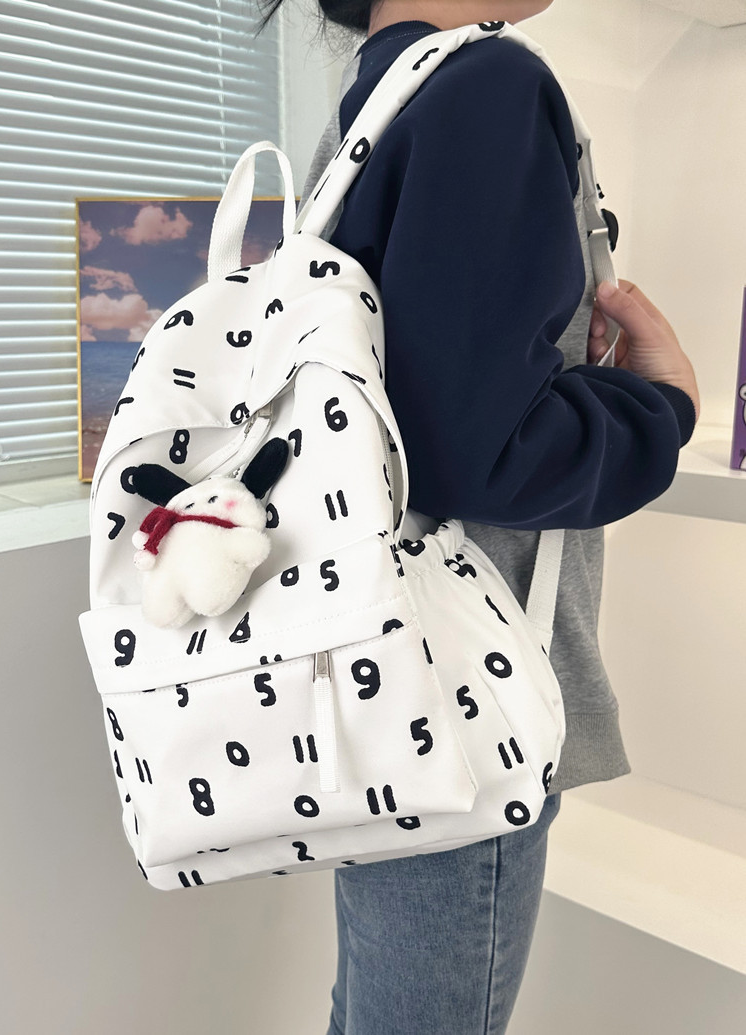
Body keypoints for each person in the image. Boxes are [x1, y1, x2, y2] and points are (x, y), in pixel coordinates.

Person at [256, 3, 700, 1033]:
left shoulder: (378, 100)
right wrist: (661, 407)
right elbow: (479, 449)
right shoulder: (488, 84)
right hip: (461, 691)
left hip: (371, 665)